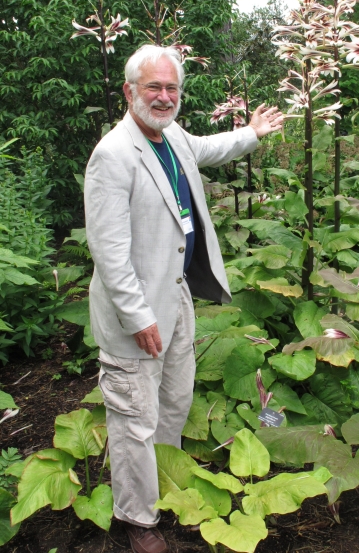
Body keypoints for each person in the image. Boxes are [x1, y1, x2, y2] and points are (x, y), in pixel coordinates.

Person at [84, 44, 283, 553]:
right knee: (134, 417)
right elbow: (109, 253)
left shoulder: (171, 136)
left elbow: (209, 147)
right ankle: (138, 518)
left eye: (172, 88)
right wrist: (138, 317)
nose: (164, 96)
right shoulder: (113, 155)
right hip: (136, 315)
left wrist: (252, 133)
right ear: (130, 91)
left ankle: (166, 488)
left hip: (174, 298)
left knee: (174, 402)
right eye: (154, 86)